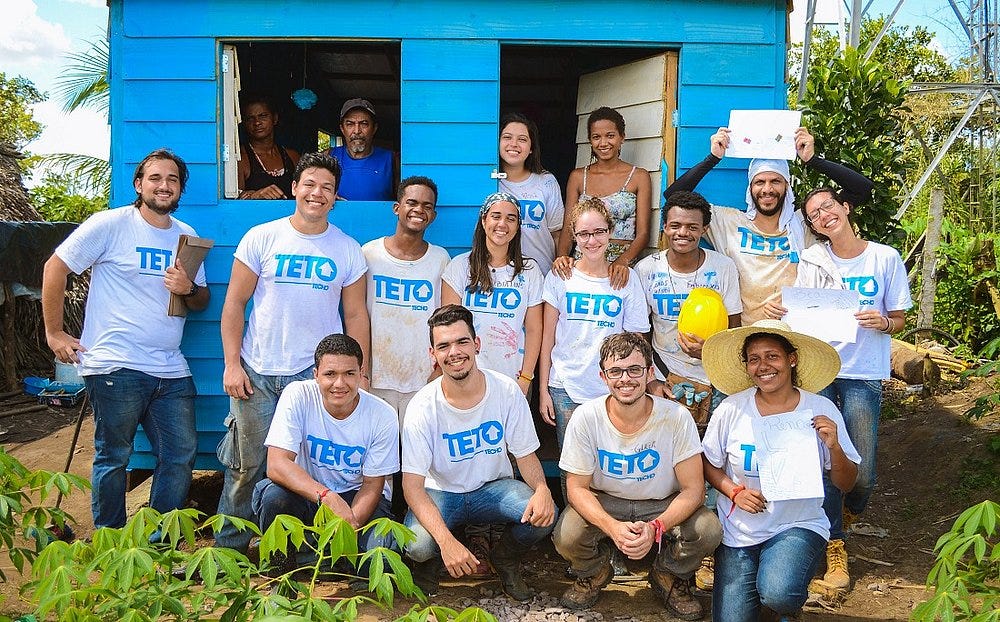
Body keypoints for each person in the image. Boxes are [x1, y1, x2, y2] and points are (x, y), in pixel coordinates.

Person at [42, 148, 210, 529]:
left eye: (172, 179)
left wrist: (187, 287)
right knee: (114, 456)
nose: (164, 185)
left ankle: (155, 542)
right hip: (116, 364)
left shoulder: (187, 236)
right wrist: (54, 333)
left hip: (169, 366)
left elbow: (200, 300)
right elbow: (56, 267)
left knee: (181, 453)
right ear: (138, 184)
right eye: (155, 178)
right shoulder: (110, 224)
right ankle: (112, 541)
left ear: (181, 188)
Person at [217, 151, 371, 552]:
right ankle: (228, 551)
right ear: (294, 188)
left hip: (314, 378)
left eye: (327, 188)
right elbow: (234, 303)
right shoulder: (262, 237)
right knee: (246, 465)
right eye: (310, 184)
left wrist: (361, 372)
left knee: (303, 470)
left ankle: (294, 553)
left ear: (335, 197)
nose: (317, 194)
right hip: (258, 372)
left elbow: (355, 315)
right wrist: (232, 364)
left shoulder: (347, 249)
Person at [553, 333, 722, 620]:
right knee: (566, 535)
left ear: (649, 372)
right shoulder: (586, 417)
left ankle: (668, 575)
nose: (625, 379)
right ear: (603, 376)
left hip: (661, 501)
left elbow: (694, 490)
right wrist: (611, 527)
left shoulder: (676, 417)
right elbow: (577, 489)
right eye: (615, 371)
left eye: (634, 370)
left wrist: (657, 527)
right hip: (607, 500)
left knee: (708, 530)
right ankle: (594, 573)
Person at [701, 320, 861, 622]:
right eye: (754, 359)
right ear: (747, 366)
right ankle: (771, 600)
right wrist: (733, 491)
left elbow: (847, 482)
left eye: (772, 356)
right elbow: (708, 463)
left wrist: (835, 448)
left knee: (779, 591)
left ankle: (783, 602)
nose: (764, 366)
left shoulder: (820, 409)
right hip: (740, 532)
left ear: (792, 359)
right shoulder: (731, 409)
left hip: (798, 523)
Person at [795, 185, 912, 589]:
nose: (823, 216)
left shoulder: (884, 257)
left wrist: (884, 323)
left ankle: (845, 512)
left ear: (845, 208)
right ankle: (834, 544)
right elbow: (802, 311)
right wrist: (784, 309)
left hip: (864, 371)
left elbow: (898, 317)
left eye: (827, 206)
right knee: (827, 459)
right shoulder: (812, 259)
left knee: (860, 473)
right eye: (813, 215)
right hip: (821, 369)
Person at [401, 305, 556, 601]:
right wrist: (447, 542)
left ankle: (505, 559)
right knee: (419, 545)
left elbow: (525, 456)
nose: (454, 352)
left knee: (545, 515)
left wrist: (542, 489)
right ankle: (430, 566)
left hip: (492, 490)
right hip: (441, 493)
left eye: (462, 342)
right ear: (433, 354)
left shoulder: (506, 391)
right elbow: (411, 487)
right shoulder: (422, 406)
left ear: (477, 344)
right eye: (443, 346)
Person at [664, 127, 872, 324]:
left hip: (794, 334)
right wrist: (713, 158)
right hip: (745, 335)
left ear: (786, 187)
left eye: (775, 181)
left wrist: (812, 160)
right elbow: (674, 198)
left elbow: (861, 189)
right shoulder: (728, 221)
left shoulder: (804, 222)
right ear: (750, 188)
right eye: (759, 182)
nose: (767, 189)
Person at [253, 334, 398, 571]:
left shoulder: (382, 415)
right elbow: (277, 464)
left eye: (349, 374)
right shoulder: (298, 395)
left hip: (358, 497)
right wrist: (327, 497)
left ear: (361, 374)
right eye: (330, 374)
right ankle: (282, 575)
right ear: (316, 375)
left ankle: (331, 561)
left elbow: (373, 485)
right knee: (274, 498)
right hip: (310, 494)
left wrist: (346, 528)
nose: (339, 383)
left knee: (377, 562)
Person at [540, 198, 650, 449]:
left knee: (611, 462)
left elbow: (637, 340)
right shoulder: (560, 277)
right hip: (566, 386)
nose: (592, 241)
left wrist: (638, 384)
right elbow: (548, 339)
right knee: (573, 465)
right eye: (584, 234)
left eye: (599, 232)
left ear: (610, 232)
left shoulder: (626, 279)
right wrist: (544, 390)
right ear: (574, 236)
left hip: (614, 386)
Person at [635, 190, 742, 430]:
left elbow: (734, 328)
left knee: (710, 454)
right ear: (664, 227)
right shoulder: (646, 270)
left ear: (704, 229)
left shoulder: (723, 267)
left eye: (692, 227)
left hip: (715, 380)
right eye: (675, 225)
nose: (683, 232)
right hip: (665, 379)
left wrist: (710, 351)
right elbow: (640, 333)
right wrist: (651, 380)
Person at [363, 176, 450, 419]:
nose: (419, 210)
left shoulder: (440, 259)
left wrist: (439, 370)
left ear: (433, 215)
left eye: (427, 206)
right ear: (397, 207)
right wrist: (361, 372)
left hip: (423, 380)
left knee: (419, 454)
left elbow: (446, 322)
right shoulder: (369, 254)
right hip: (376, 380)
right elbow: (356, 315)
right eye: (412, 202)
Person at [441, 192, 543, 393]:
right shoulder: (460, 267)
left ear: (517, 226)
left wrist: (526, 378)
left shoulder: (530, 270)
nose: (502, 224)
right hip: (466, 377)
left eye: (511, 218)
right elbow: (449, 328)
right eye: (496, 216)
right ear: (483, 219)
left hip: (513, 379)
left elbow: (534, 329)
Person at [554, 106, 652, 287]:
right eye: (596, 137)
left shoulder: (639, 176)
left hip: (622, 267)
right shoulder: (578, 177)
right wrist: (562, 258)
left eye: (610, 135)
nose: (603, 142)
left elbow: (643, 233)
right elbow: (569, 228)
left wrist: (623, 262)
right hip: (583, 261)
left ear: (622, 137)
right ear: (590, 140)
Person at [497, 112, 564, 273]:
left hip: (542, 272)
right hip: (500, 277)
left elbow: (557, 233)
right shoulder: (490, 182)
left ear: (531, 148)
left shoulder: (546, 181)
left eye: (522, 139)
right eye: (507, 137)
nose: (514, 144)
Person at [328, 98, 398, 201]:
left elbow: (403, 200)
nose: (357, 131)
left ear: (374, 128)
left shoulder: (391, 160)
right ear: (342, 129)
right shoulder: (329, 156)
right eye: (350, 124)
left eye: (364, 124)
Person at [237, 94, 301, 199]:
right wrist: (255, 196)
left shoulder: (292, 156)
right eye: (250, 118)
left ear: (274, 119)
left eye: (263, 116)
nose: (257, 122)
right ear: (244, 123)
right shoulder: (241, 158)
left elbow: (307, 190)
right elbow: (236, 200)